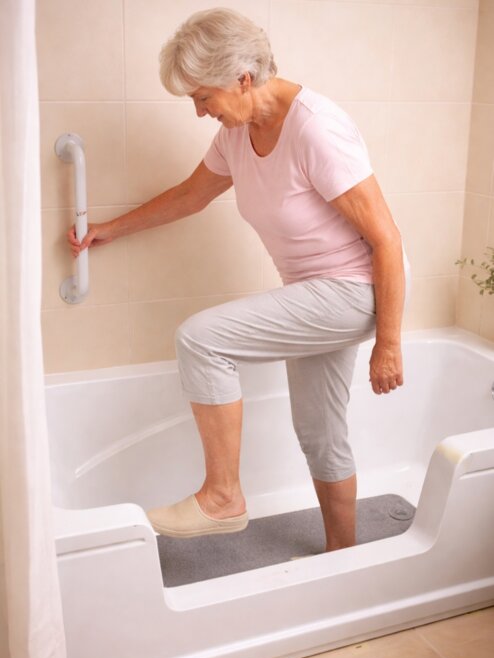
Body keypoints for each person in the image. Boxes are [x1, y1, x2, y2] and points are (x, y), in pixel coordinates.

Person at [68, 8, 409, 552]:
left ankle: (223, 496)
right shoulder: (238, 132)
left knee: (201, 339)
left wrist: (388, 343)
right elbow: (191, 195)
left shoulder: (316, 128)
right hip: (313, 292)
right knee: (320, 433)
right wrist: (110, 229)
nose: (200, 111)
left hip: (355, 290)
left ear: (242, 78)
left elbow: (386, 238)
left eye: (203, 97)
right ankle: (344, 560)